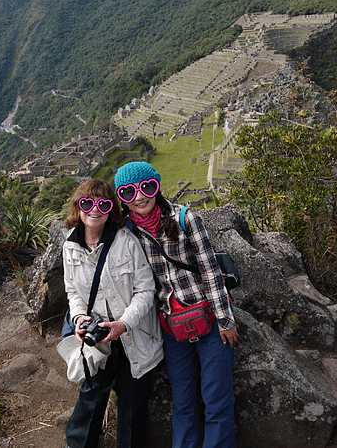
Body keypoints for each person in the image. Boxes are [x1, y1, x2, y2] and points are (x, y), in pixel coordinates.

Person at [114, 162, 238, 448]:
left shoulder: (186, 219)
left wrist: (226, 319)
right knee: (182, 402)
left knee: (216, 401)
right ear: (122, 198)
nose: (139, 196)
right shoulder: (127, 233)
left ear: (157, 187)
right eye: (129, 192)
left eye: (147, 187)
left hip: (208, 319)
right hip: (172, 326)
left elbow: (209, 269)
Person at [62, 179, 163, 448]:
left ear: (111, 210)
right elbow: (72, 291)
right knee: (90, 402)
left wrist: (124, 323)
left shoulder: (126, 242)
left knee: (132, 411)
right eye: (88, 203)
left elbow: (146, 290)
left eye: (103, 204)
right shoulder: (69, 246)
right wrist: (79, 319)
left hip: (133, 336)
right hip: (99, 338)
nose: (95, 210)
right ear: (78, 206)